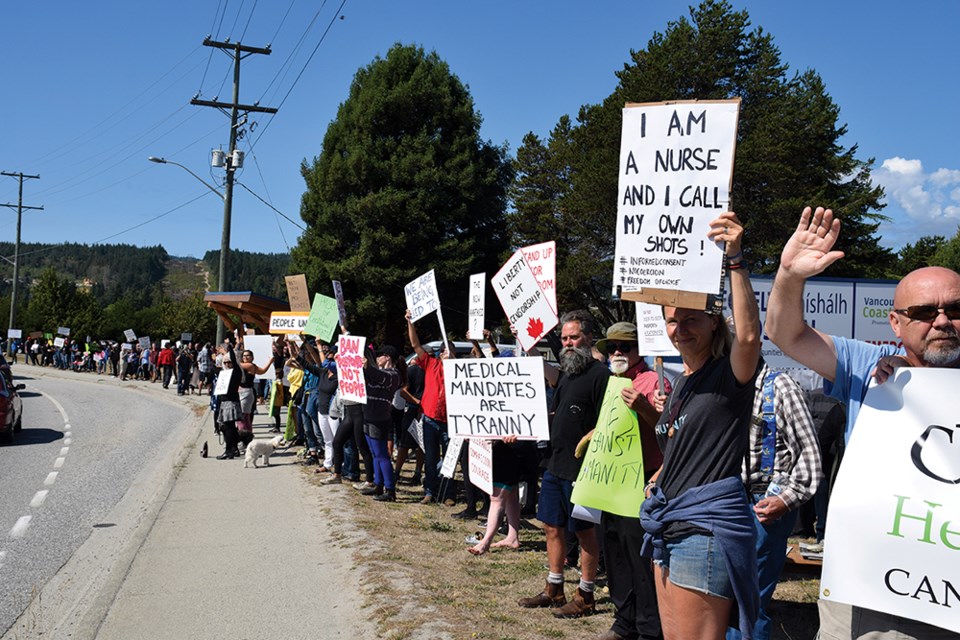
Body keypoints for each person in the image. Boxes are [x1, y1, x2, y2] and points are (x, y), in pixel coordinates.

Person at [764, 206, 960, 640]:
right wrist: (791, 275)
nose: (942, 320)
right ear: (896, 323)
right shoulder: (867, 365)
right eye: (925, 312)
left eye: (955, 308)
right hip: (869, 592)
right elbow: (784, 333)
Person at [640, 211, 762, 640]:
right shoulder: (679, 384)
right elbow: (683, 444)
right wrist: (659, 476)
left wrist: (735, 261)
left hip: (705, 531)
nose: (680, 329)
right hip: (668, 523)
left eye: (691, 318)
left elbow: (749, 337)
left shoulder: (729, 375)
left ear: (714, 321)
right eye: (673, 320)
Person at [577, 321, 670, 640]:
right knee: (614, 553)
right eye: (612, 347)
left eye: (625, 347)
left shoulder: (653, 382)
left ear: (638, 350)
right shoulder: (613, 381)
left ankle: (647, 628)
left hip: (641, 482)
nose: (617, 352)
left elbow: (667, 430)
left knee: (639, 559)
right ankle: (623, 621)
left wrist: (644, 406)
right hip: (610, 483)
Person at [517, 310, 609, 619]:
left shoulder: (601, 376)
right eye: (565, 338)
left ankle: (585, 594)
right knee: (551, 526)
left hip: (583, 471)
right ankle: (554, 588)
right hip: (555, 465)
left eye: (574, 337)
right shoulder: (568, 371)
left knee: (583, 532)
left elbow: (607, 424)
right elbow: (555, 398)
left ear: (588, 338)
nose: (568, 343)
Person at [727, 360, 822, 640]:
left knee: (749, 600)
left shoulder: (779, 386)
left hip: (763, 501)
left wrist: (786, 498)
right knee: (726, 594)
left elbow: (810, 455)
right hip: (726, 498)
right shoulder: (723, 383)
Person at [406, 309, 456, 505]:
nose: (446, 353)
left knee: (450, 459)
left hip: (450, 422)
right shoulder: (431, 363)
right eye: (443, 350)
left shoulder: (460, 370)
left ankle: (449, 494)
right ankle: (430, 491)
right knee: (430, 458)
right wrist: (410, 322)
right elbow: (415, 345)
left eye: (449, 351)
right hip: (429, 419)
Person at [359, 344, 403, 501]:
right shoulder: (376, 372)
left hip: (379, 418)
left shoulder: (394, 374)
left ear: (388, 357)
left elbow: (381, 378)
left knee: (381, 454)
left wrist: (367, 367)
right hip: (368, 414)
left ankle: (390, 490)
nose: (377, 358)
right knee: (374, 453)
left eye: (380, 355)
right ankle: (378, 485)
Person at [215, 343, 243, 460]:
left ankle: (229, 450)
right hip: (224, 402)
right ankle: (234, 448)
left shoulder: (236, 372)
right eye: (225, 362)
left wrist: (230, 347)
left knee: (229, 427)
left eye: (229, 362)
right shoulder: (224, 373)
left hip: (231, 402)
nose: (227, 364)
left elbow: (234, 360)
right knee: (229, 427)